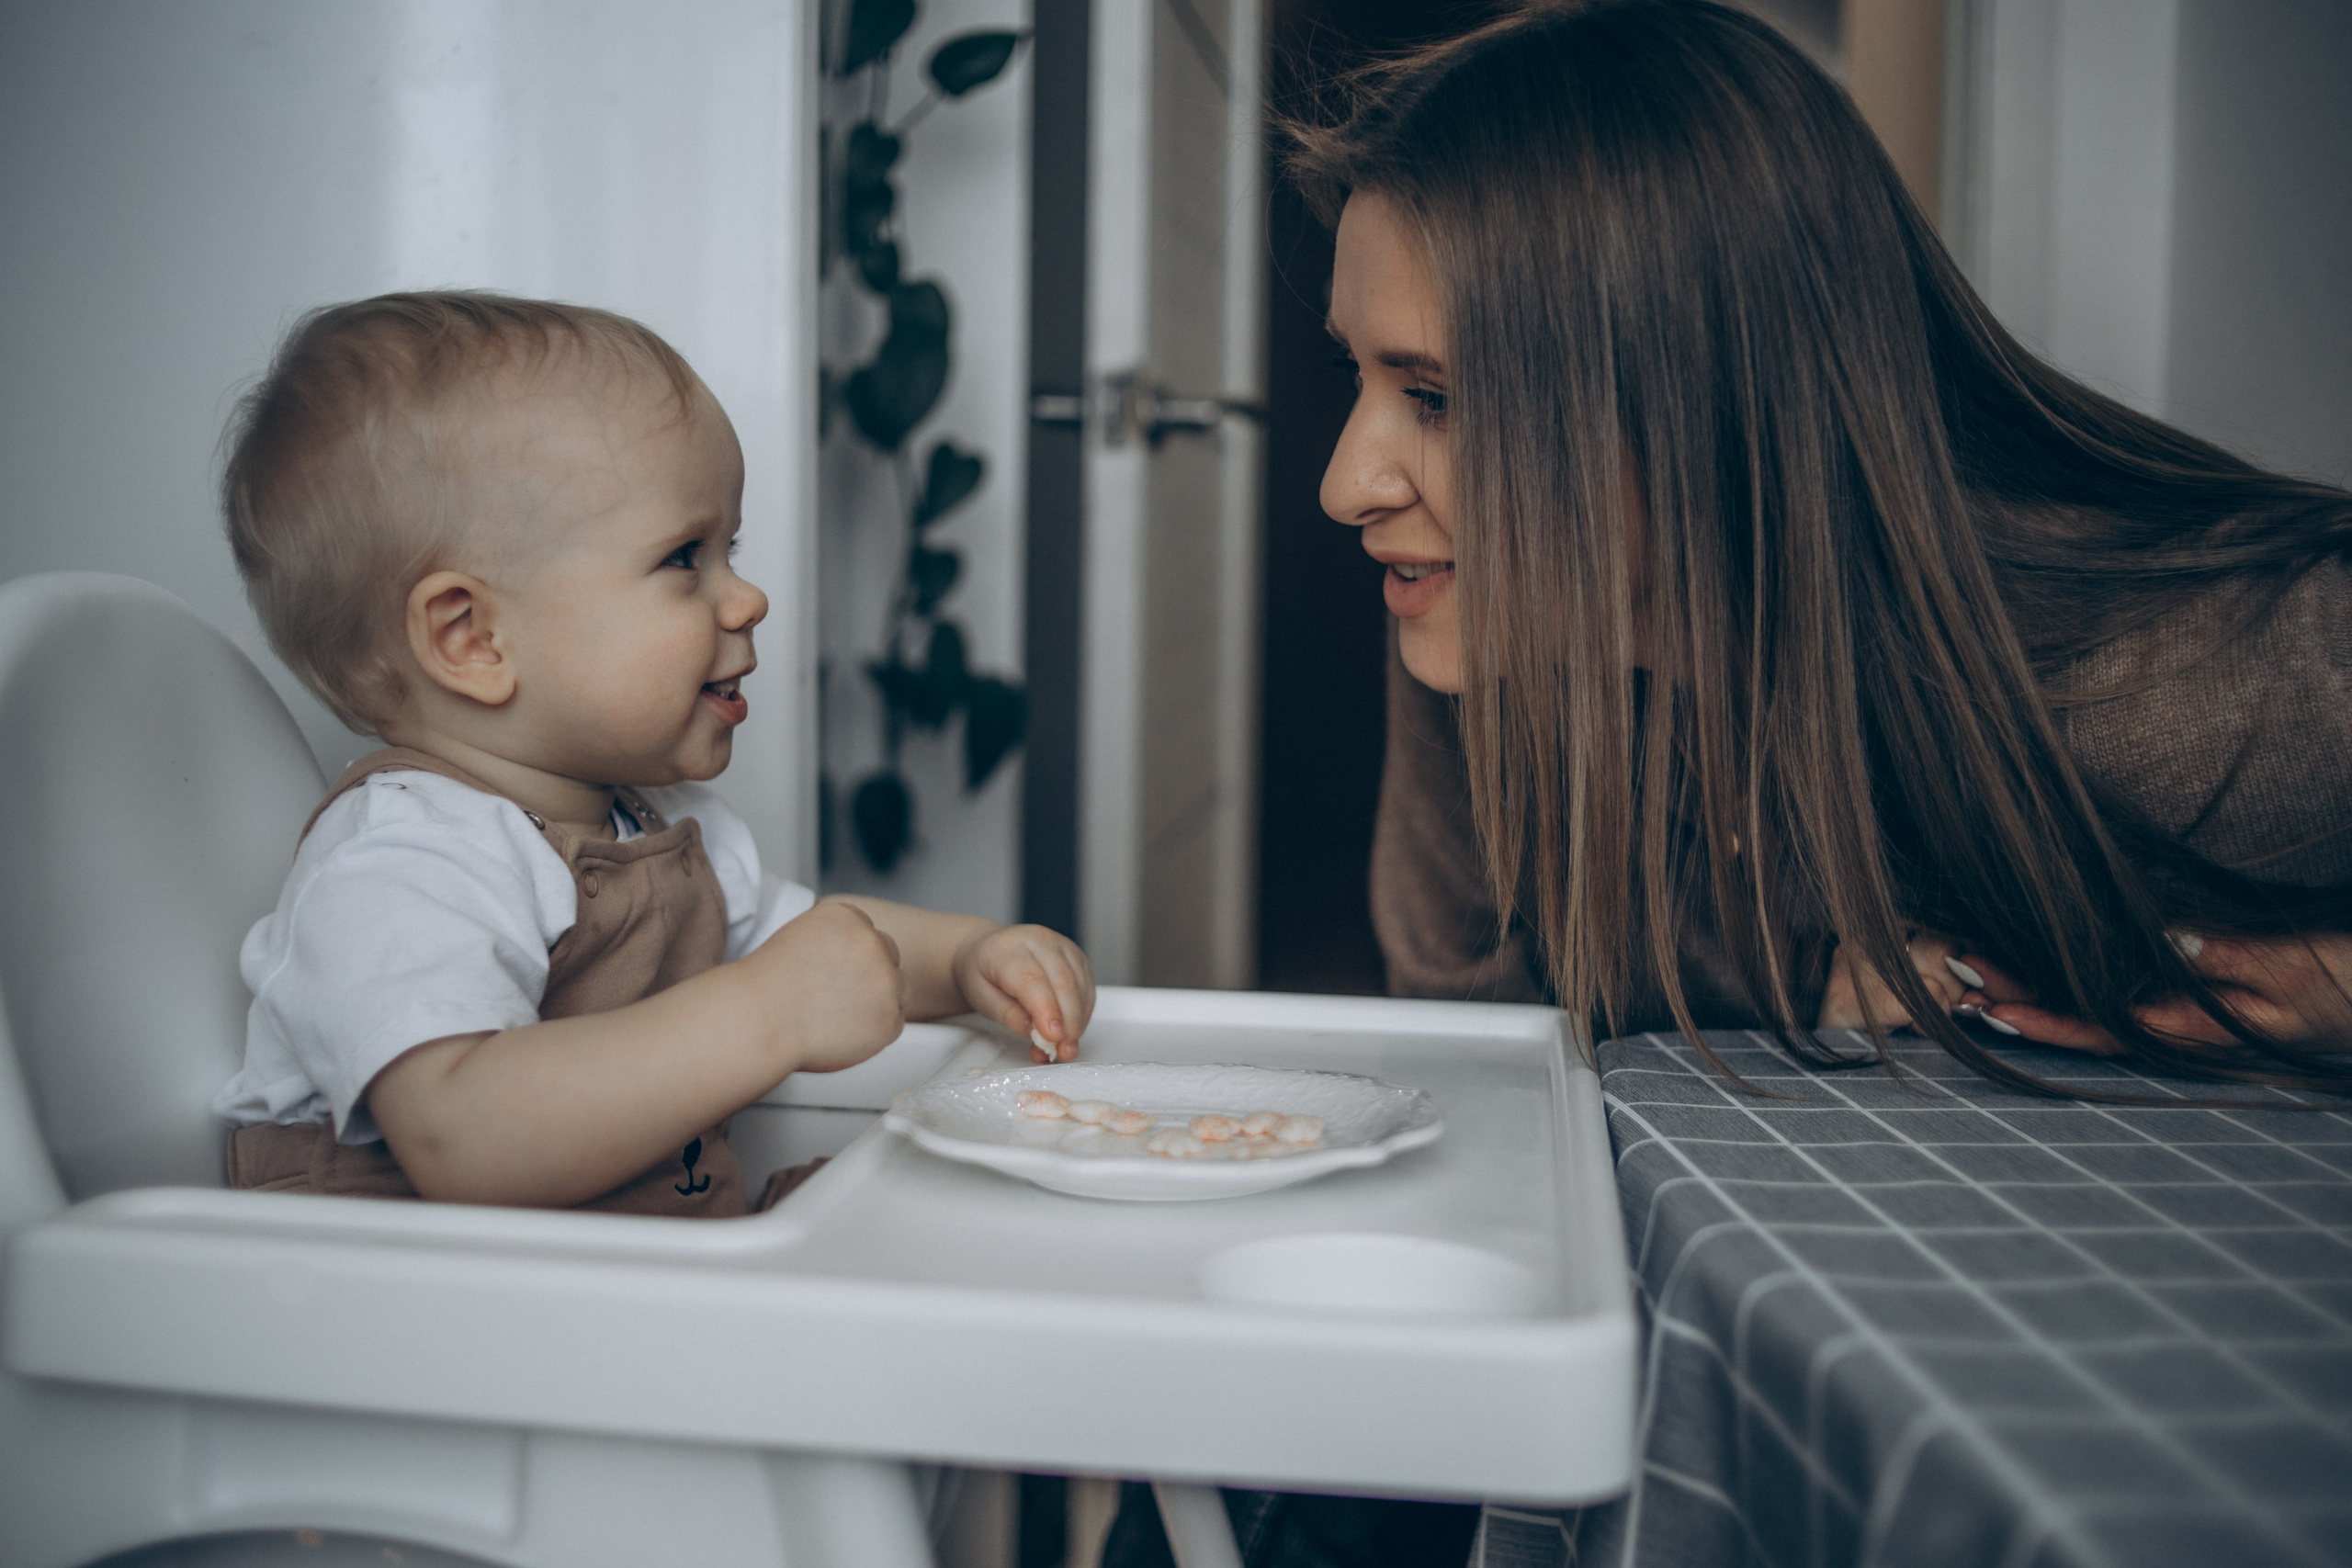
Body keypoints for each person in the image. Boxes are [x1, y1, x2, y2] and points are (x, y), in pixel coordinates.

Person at [1296, 0, 2352, 1100]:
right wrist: (1808, 980)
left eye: (1436, 396)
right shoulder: (1476, 609)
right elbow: (1467, 1017)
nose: (1344, 488)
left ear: (1707, 408)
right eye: (1357, 376)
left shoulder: (2209, 676)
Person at [211, 292, 1093, 1213]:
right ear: (472, 637)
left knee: (951, 1208)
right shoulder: (402, 860)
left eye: (730, 547)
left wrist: (965, 959)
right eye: (684, 558)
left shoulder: (653, 825)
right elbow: (462, 1140)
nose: (746, 597)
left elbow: (820, 947)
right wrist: (769, 1012)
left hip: (624, 1282)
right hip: (421, 1327)